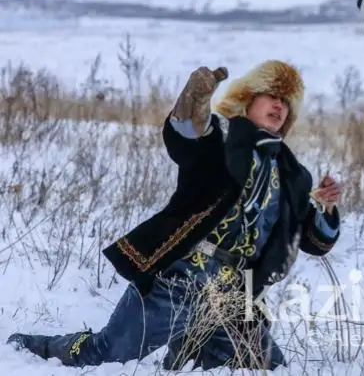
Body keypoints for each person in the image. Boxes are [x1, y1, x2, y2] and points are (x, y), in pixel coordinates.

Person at [6, 60, 342, 370]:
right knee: (105, 356)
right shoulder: (222, 138)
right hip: (181, 280)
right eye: (271, 95)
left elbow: (314, 241)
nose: (279, 105)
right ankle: (39, 347)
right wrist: (192, 102)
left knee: (267, 366)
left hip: (232, 297)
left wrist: (326, 208)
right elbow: (187, 137)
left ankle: (191, 347)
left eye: (286, 102)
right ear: (248, 99)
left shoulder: (293, 175)